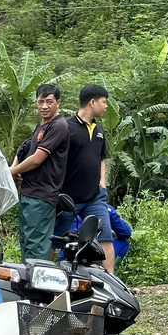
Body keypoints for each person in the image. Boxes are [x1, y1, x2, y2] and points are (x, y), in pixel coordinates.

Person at [54, 84, 116, 272]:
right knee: (55, 238)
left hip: (95, 197)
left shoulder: (99, 130)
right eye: (104, 102)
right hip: (68, 198)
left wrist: (102, 183)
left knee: (105, 235)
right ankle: (45, 276)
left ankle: (111, 281)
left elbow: (101, 158)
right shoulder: (66, 127)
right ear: (92, 102)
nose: (106, 106)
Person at [9, 84, 69, 261]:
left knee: (37, 248)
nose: (44, 106)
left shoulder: (59, 125)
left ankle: (38, 287)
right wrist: (15, 168)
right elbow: (25, 150)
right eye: (40, 101)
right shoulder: (42, 126)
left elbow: (37, 159)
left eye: (49, 102)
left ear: (58, 103)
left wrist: (10, 171)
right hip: (28, 192)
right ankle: (25, 287)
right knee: (27, 244)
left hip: (42, 195)